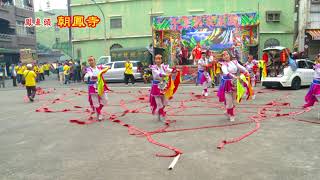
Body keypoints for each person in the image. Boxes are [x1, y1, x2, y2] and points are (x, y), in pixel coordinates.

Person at [217, 50, 249, 122]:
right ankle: (231, 114)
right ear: (222, 57)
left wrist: (246, 72)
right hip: (227, 83)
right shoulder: (223, 64)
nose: (226, 56)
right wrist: (233, 76)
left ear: (229, 55)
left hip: (235, 82)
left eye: (227, 54)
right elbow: (226, 72)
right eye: (224, 55)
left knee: (234, 100)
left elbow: (241, 68)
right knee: (229, 101)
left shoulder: (234, 62)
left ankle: (228, 111)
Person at [149, 54, 179, 122]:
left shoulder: (164, 66)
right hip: (156, 86)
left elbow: (170, 70)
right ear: (155, 60)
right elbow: (158, 73)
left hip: (163, 85)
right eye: (156, 59)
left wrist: (174, 70)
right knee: (159, 103)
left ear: (161, 60)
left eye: (159, 59)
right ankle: (162, 114)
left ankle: (159, 112)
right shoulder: (153, 68)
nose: (158, 60)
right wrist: (166, 74)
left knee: (165, 102)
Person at [84, 56, 110, 121]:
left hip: (101, 85)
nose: (90, 62)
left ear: (94, 61)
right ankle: (99, 113)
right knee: (95, 102)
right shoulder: (88, 69)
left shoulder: (99, 67)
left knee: (105, 100)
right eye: (89, 60)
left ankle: (98, 110)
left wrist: (107, 68)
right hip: (93, 86)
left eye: (91, 60)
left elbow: (107, 67)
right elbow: (92, 76)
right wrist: (98, 75)